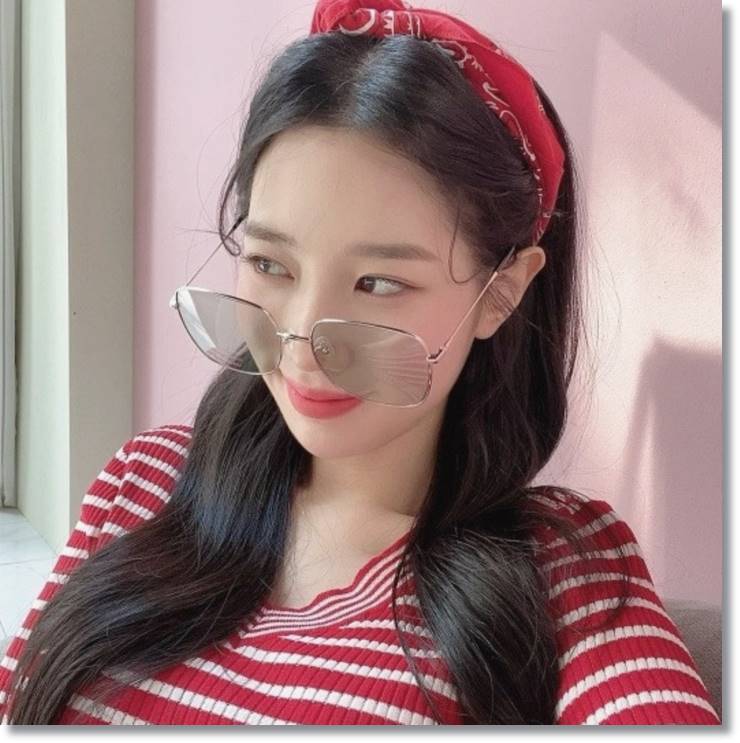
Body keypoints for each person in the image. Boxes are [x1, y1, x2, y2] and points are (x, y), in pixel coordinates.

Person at [0, 0, 720, 725]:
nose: (303, 339)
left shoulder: (568, 573)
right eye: (270, 264)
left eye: (378, 282)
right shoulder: (142, 484)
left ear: (501, 292)